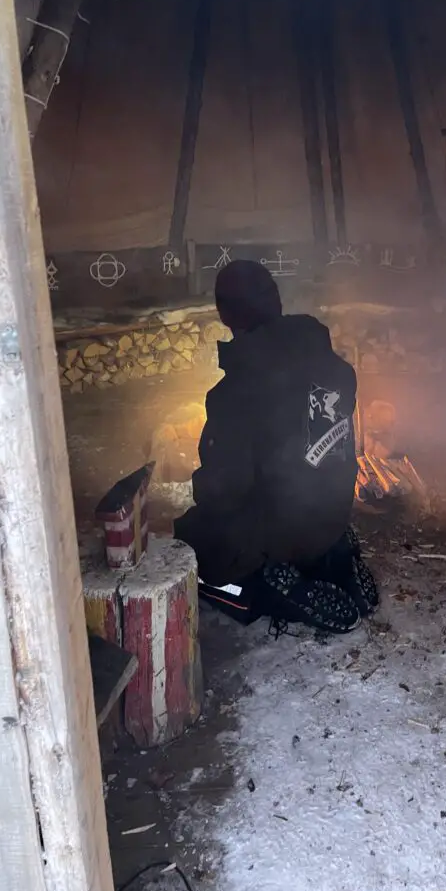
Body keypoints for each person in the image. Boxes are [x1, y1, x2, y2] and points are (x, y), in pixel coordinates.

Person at [174, 260, 378, 633]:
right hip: (332, 514)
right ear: (277, 301)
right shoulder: (336, 369)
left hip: (281, 531)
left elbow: (224, 489)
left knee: (190, 544)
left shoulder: (236, 392)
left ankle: (269, 590)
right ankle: (334, 556)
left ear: (224, 313)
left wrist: (201, 501)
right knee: (296, 509)